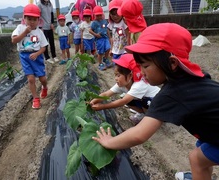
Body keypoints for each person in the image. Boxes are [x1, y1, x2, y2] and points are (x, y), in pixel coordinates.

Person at [92, 23, 219, 180]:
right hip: (212, 132)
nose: (141, 72)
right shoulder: (192, 77)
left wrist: (110, 142)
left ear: (172, 63)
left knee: (197, 159)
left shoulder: (172, 93)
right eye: (139, 66)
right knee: (202, 148)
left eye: (145, 65)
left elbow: (139, 135)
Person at [90, 53, 160, 124]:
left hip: (158, 102)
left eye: (118, 75)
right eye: (115, 75)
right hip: (143, 100)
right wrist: (94, 101)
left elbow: (123, 101)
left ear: (130, 76)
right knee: (129, 100)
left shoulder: (139, 85)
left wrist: (103, 106)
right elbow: (106, 94)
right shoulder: (123, 83)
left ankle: (150, 118)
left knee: (140, 101)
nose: (116, 78)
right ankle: (142, 114)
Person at [11, 4, 48, 109]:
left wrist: (37, 54)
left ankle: (45, 87)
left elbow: (44, 47)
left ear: (38, 20)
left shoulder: (39, 32)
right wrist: (25, 32)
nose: (32, 22)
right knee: (31, 79)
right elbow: (14, 40)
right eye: (29, 19)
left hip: (37, 57)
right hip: (24, 56)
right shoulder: (20, 28)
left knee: (42, 78)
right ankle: (36, 98)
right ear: (24, 18)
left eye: (34, 19)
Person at [89, 5, 112, 71]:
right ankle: (100, 63)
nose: (99, 17)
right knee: (100, 52)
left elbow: (106, 29)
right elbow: (90, 30)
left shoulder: (104, 21)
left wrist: (109, 37)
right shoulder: (94, 23)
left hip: (105, 38)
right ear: (94, 15)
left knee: (108, 48)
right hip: (99, 40)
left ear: (102, 14)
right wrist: (96, 35)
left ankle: (105, 59)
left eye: (100, 15)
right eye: (97, 15)